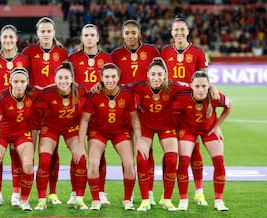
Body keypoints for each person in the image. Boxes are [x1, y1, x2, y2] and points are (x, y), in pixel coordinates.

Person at [160, 14, 213, 206]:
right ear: (172, 33)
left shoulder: (198, 52)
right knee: (170, 153)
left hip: (190, 108)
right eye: (176, 30)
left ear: (188, 31)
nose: (180, 33)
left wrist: (210, 93)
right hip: (169, 108)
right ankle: (167, 193)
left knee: (193, 150)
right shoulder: (165, 51)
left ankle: (199, 191)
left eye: (183, 29)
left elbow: (205, 80)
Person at [126, 57, 190, 211]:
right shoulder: (139, 86)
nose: (156, 78)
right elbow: (119, 87)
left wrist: (212, 88)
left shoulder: (174, 86)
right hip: (146, 127)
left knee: (172, 159)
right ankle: (145, 200)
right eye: (153, 74)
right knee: (141, 159)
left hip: (167, 127)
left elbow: (195, 86)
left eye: (160, 75)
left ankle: (167, 199)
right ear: (147, 74)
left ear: (165, 75)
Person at [78, 63, 142, 211]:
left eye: (113, 76)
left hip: (120, 131)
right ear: (101, 78)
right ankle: (95, 200)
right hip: (98, 132)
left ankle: (127, 200)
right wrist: (81, 144)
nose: (110, 80)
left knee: (129, 163)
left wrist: (139, 141)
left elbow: (135, 120)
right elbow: (85, 121)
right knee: (93, 163)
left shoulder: (127, 94)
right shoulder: (94, 95)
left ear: (118, 77)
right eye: (107, 77)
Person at [111, 19, 160, 205]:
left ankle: (150, 191)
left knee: (148, 151)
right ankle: (129, 192)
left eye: (133, 32)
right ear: (122, 34)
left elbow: (160, 75)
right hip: (124, 109)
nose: (130, 36)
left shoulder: (151, 51)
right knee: (128, 152)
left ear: (139, 33)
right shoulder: (115, 55)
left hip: (146, 109)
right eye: (127, 33)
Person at [22, 17, 68, 205]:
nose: (46, 34)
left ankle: (52, 193)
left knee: (52, 153)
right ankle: (24, 194)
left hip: (54, 109)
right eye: (43, 31)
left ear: (54, 32)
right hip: (33, 108)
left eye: (49, 31)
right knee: (29, 151)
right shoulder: (29, 52)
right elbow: (19, 75)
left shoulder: (62, 53)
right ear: (38, 33)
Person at [68, 23, 113, 205]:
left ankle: (100, 192)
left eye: (92, 35)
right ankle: (74, 192)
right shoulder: (73, 58)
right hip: (78, 111)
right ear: (81, 38)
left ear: (97, 38)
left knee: (99, 153)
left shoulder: (107, 59)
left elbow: (114, 81)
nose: (89, 38)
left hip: (99, 113)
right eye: (85, 35)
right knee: (77, 154)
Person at [174, 71, 232, 211]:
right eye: (197, 86)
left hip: (209, 130)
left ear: (209, 86)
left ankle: (219, 201)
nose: (200, 90)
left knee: (219, 161)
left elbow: (229, 106)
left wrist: (217, 125)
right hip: (188, 131)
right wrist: (177, 130)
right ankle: (183, 200)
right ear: (191, 86)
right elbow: (172, 114)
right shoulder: (182, 97)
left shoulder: (215, 96)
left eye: (204, 86)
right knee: (183, 162)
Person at [34, 61, 88, 211]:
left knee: (81, 158)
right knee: (44, 159)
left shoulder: (81, 91)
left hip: (71, 129)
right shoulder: (46, 92)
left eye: (66, 78)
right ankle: (42, 200)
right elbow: (28, 96)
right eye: (60, 78)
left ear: (72, 79)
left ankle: (79, 199)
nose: (63, 81)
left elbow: (95, 99)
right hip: (50, 129)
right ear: (55, 79)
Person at [0, 24, 30, 207]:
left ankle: (15, 193)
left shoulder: (25, 60)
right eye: (5, 37)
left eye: (11, 37)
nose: (8, 40)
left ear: (16, 39)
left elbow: (31, 86)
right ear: (0, 39)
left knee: (17, 155)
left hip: (19, 116)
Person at [0, 67, 35, 212]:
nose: (19, 85)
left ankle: (24, 200)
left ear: (27, 82)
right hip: (2, 133)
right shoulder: (1, 96)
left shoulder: (33, 95)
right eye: (16, 81)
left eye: (22, 81)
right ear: (10, 82)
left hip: (22, 133)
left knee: (28, 166)